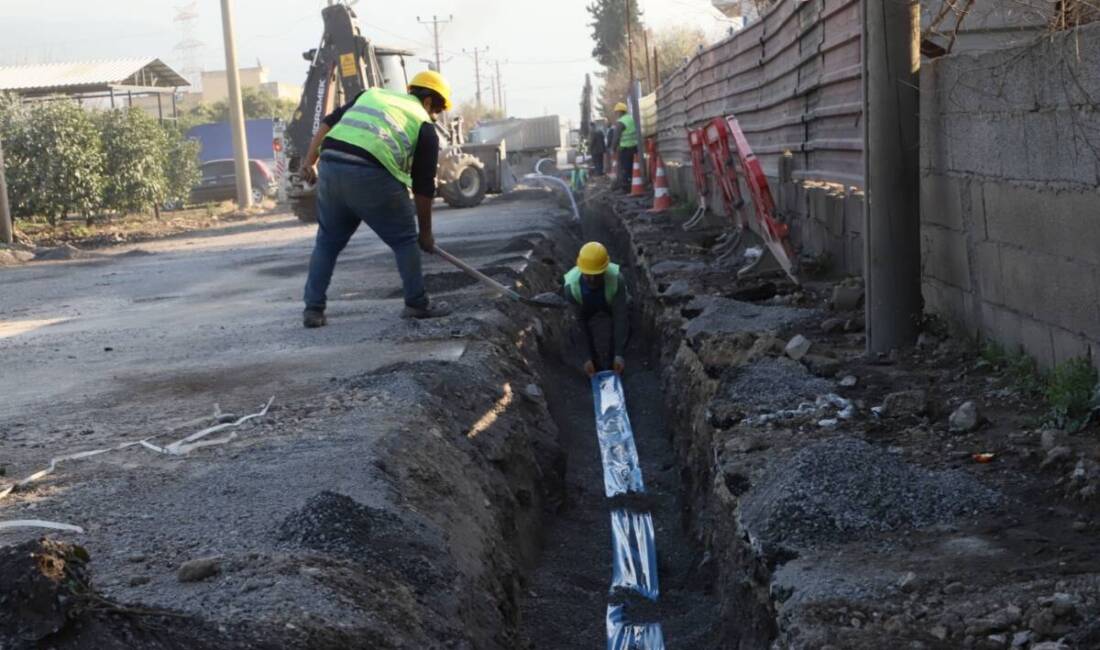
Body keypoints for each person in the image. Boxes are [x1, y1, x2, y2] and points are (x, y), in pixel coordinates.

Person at [299, 70, 455, 328]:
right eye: (436, 110)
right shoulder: (424, 126)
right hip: (370, 174)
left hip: (331, 166)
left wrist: (309, 161)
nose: (434, 116)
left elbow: (328, 122)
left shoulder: (371, 94)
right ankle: (417, 303)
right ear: (428, 102)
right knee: (405, 240)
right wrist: (425, 234)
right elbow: (423, 188)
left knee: (327, 242)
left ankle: (313, 310)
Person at [563, 241, 629, 377]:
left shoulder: (617, 281)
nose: (592, 279)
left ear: (605, 270)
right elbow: (578, 324)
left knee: (628, 314)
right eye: (588, 274)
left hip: (608, 302)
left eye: (597, 275)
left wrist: (619, 354)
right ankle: (595, 366)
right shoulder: (571, 288)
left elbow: (620, 318)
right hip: (585, 305)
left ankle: (613, 364)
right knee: (578, 330)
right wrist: (586, 358)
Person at [608, 101, 638, 192]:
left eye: (616, 112)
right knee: (633, 168)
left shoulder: (621, 122)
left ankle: (626, 188)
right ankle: (634, 184)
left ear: (620, 112)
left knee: (625, 168)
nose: (616, 114)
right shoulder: (631, 119)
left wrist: (613, 149)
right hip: (634, 147)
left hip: (625, 149)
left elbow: (616, 137)